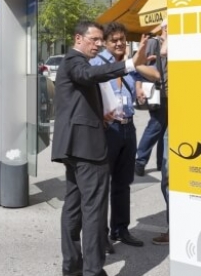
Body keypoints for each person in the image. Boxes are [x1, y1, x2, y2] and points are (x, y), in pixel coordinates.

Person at [52, 21, 148, 276]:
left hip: (75, 147)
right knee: (94, 210)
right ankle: (93, 271)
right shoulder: (75, 61)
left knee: (73, 207)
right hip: (86, 147)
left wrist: (99, 114)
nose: (97, 44)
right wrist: (129, 64)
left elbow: (82, 94)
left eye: (99, 40)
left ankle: (72, 267)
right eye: (94, 39)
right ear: (78, 38)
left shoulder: (74, 62)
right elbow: (89, 75)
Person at [89, 22, 143, 252]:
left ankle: (120, 229)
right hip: (107, 130)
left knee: (123, 183)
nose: (120, 43)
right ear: (105, 42)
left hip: (128, 128)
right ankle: (101, 236)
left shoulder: (128, 65)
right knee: (102, 185)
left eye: (122, 39)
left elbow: (138, 80)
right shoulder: (96, 64)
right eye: (115, 40)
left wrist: (139, 88)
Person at [134, 22, 168, 177]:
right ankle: (140, 161)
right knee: (155, 127)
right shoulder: (154, 42)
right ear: (164, 28)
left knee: (165, 131)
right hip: (159, 91)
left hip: (171, 94)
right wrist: (138, 87)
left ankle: (163, 163)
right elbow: (140, 64)